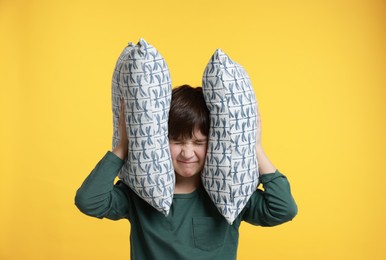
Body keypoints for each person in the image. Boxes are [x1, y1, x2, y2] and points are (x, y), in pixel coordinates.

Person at [75, 85, 297, 260]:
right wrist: (124, 145)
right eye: (177, 141)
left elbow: (283, 209)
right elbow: (89, 201)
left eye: (199, 142)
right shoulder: (141, 192)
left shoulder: (230, 194)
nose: (188, 152)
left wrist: (254, 147)